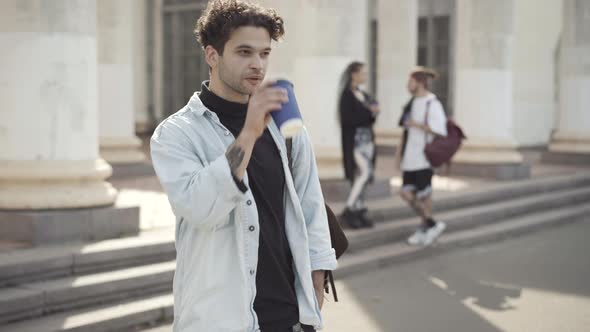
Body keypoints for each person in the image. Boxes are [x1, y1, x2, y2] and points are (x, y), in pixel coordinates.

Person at [150, 1, 336, 331]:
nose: (257, 65)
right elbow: (199, 208)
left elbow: (310, 206)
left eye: (264, 54)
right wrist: (249, 132)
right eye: (244, 52)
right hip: (218, 319)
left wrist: (317, 282)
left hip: (288, 316)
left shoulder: (286, 127)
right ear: (212, 55)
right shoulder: (176, 133)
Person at [395, 66, 447, 246]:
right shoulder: (410, 103)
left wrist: (418, 124)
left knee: (425, 195)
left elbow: (440, 131)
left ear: (420, 82)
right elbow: (404, 131)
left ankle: (426, 227)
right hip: (410, 157)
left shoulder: (432, 103)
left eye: (410, 81)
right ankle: (431, 224)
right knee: (406, 193)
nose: (408, 85)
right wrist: (398, 155)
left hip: (424, 157)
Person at [338, 62, 380, 229]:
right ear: (353, 74)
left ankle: (358, 209)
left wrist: (372, 113)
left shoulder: (363, 94)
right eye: (362, 72)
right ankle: (349, 208)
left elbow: (371, 116)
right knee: (365, 173)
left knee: (361, 176)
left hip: (368, 140)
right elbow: (349, 120)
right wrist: (370, 113)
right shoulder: (347, 96)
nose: (365, 75)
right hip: (354, 142)